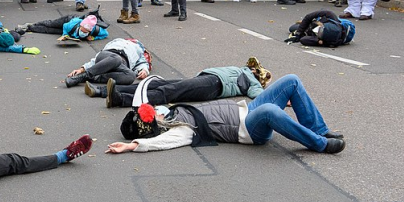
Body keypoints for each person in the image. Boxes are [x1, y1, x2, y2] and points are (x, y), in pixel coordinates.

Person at [106, 75, 346, 154]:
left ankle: (318, 128)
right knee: (271, 111)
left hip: (247, 109)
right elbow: (161, 143)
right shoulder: (180, 130)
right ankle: (321, 144)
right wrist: (134, 145)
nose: (156, 112)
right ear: (151, 125)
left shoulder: (171, 112)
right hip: (249, 128)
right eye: (152, 115)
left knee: (290, 80)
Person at [96, 57, 271, 106]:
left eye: (257, 70)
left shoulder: (253, 82)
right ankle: (105, 91)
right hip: (205, 79)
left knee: (169, 92)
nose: (255, 68)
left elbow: (259, 94)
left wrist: (281, 98)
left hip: (214, 86)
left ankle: (121, 99)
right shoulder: (243, 69)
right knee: (158, 83)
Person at [65, 37, 151, 88]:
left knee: (131, 76)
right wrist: (81, 69)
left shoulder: (139, 50)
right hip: (108, 56)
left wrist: (144, 70)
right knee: (116, 58)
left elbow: (143, 63)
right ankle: (84, 76)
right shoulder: (117, 41)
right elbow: (95, 60)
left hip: (121, 66)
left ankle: (93, 77)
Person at [285, 9, 355, 48]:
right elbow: (309, 16)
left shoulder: (332, 42)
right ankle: (307, 26)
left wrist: (318, 41)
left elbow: (303, 40)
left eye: (317, 33)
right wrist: (298, 33)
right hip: (321, 21)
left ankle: (307, 28)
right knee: (294, 28)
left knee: (294, 28)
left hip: (324, 35)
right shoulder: (331, 16)